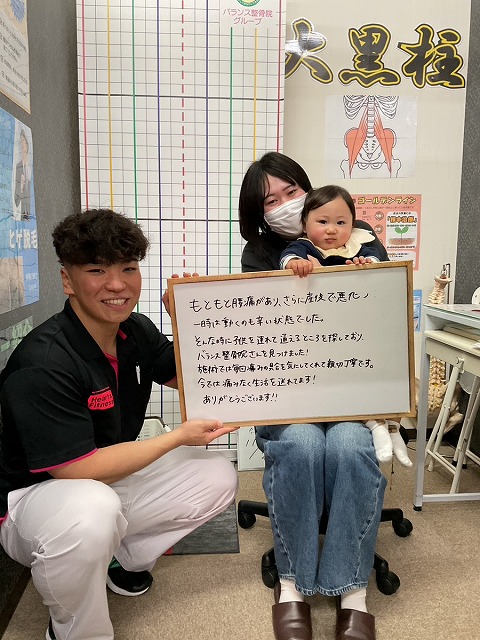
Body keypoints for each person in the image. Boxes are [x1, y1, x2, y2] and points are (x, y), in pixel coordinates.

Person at [0, 208, 238, 640]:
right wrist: (177, 437)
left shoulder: (136, 329)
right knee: (93, 509)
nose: (117, 284)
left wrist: (190, 319)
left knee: (217, 474)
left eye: (128, 268)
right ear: (68, 280)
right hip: (32, 501)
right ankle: (76, 630)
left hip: (102, 481)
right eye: (97, 270)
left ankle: (120, 560)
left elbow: (190, 378)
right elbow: (76, 469)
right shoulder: (44, 362)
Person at [238, 151, 388, 640]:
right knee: (301, 445)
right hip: (289, 394)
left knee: (350, 447)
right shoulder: (259, 256)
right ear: (258, 213)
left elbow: (384, 310)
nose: (284, 204)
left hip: (350, 391)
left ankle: (352, 589)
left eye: (291, 192)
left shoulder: (359, 238)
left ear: (308, 191)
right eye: (270, 201)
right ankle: (292, 585)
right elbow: (253, 330)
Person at [280, 184, 412, 468]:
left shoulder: (360, 246)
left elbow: (377, 263)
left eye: (341, 223)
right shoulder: (304, 247)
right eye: (322, 222)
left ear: (353, 224)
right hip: (316, 339)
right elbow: (287, 258)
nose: (331, 230)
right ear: (305, 224)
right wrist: (296, 265)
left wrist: (365, 265)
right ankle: (378, 427)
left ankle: (389, 428)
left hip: (356, 336)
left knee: (369, 384)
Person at [14, 129, 31, 220]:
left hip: (30, 211)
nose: (22, 144)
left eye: (23, 140)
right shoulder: (18, 167)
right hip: (23, 212)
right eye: (20, 141)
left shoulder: (31, 166)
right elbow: (16, 201)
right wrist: (21, 186)